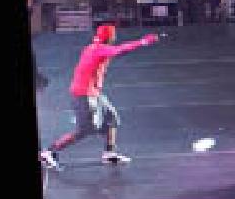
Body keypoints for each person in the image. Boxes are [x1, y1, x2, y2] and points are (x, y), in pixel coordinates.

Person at [40, 24, 160, 169]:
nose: (115, 37)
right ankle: (49, 152)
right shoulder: (99, 49)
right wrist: (143, 42)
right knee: (85, 130)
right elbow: (120, 50)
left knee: (111, 117)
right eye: (113, 34)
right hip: (84, 94)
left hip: (95, 93)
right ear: (109, 36)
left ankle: (109, 153)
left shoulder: (93, 47)